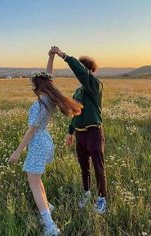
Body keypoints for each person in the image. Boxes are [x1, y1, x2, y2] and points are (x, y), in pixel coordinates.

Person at [8, 48, 83, 235]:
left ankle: (49, 225)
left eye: (32, 83)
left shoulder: (39, 105)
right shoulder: (49, 97)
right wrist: (50, 58)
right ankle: (47, 207)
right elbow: (49, 77)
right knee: (36, 178)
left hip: (39, 142)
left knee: (33, 182)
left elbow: (31, 131)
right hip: (45, 140)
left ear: (36, 85)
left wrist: (17, 152)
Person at [52, 47, 107, 214]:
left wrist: (64, 56)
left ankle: (102, 198)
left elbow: (82, 73)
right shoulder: (78, 91)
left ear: (87, 70)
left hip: (94, 133)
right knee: (84, 166)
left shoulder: (95, 85)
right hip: (80, 134)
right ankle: (87, 193)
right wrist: (70, 132)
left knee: (98, 166)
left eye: (81, 69)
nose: (78, 74)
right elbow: (75, 113)